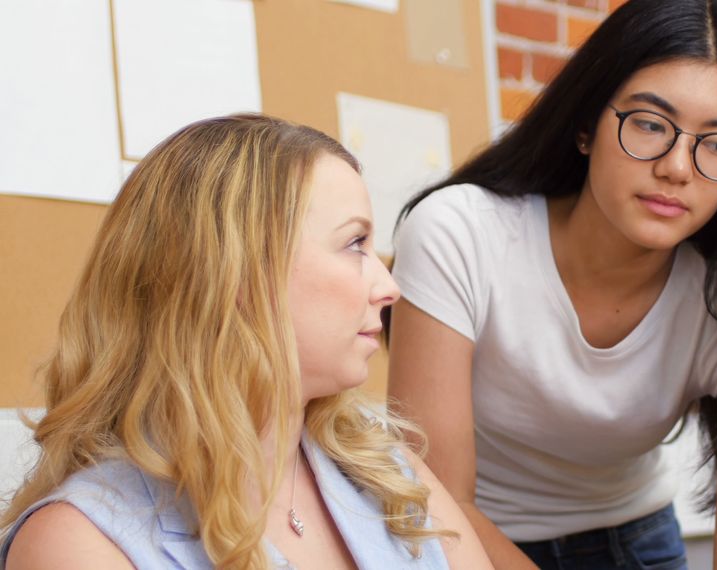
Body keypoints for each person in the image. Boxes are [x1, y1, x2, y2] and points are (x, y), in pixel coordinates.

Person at [386, 0, 717, 568]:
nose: (679, 167)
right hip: (466, 539)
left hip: (634, 543)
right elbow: (436, 498)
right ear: (585, 126)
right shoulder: (460, 233)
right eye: (650, 125)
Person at [0, 114, 493, 570]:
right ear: (235, 276)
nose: (389, 288)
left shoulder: (387, 467)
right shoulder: (77, 543)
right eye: (354, 244)